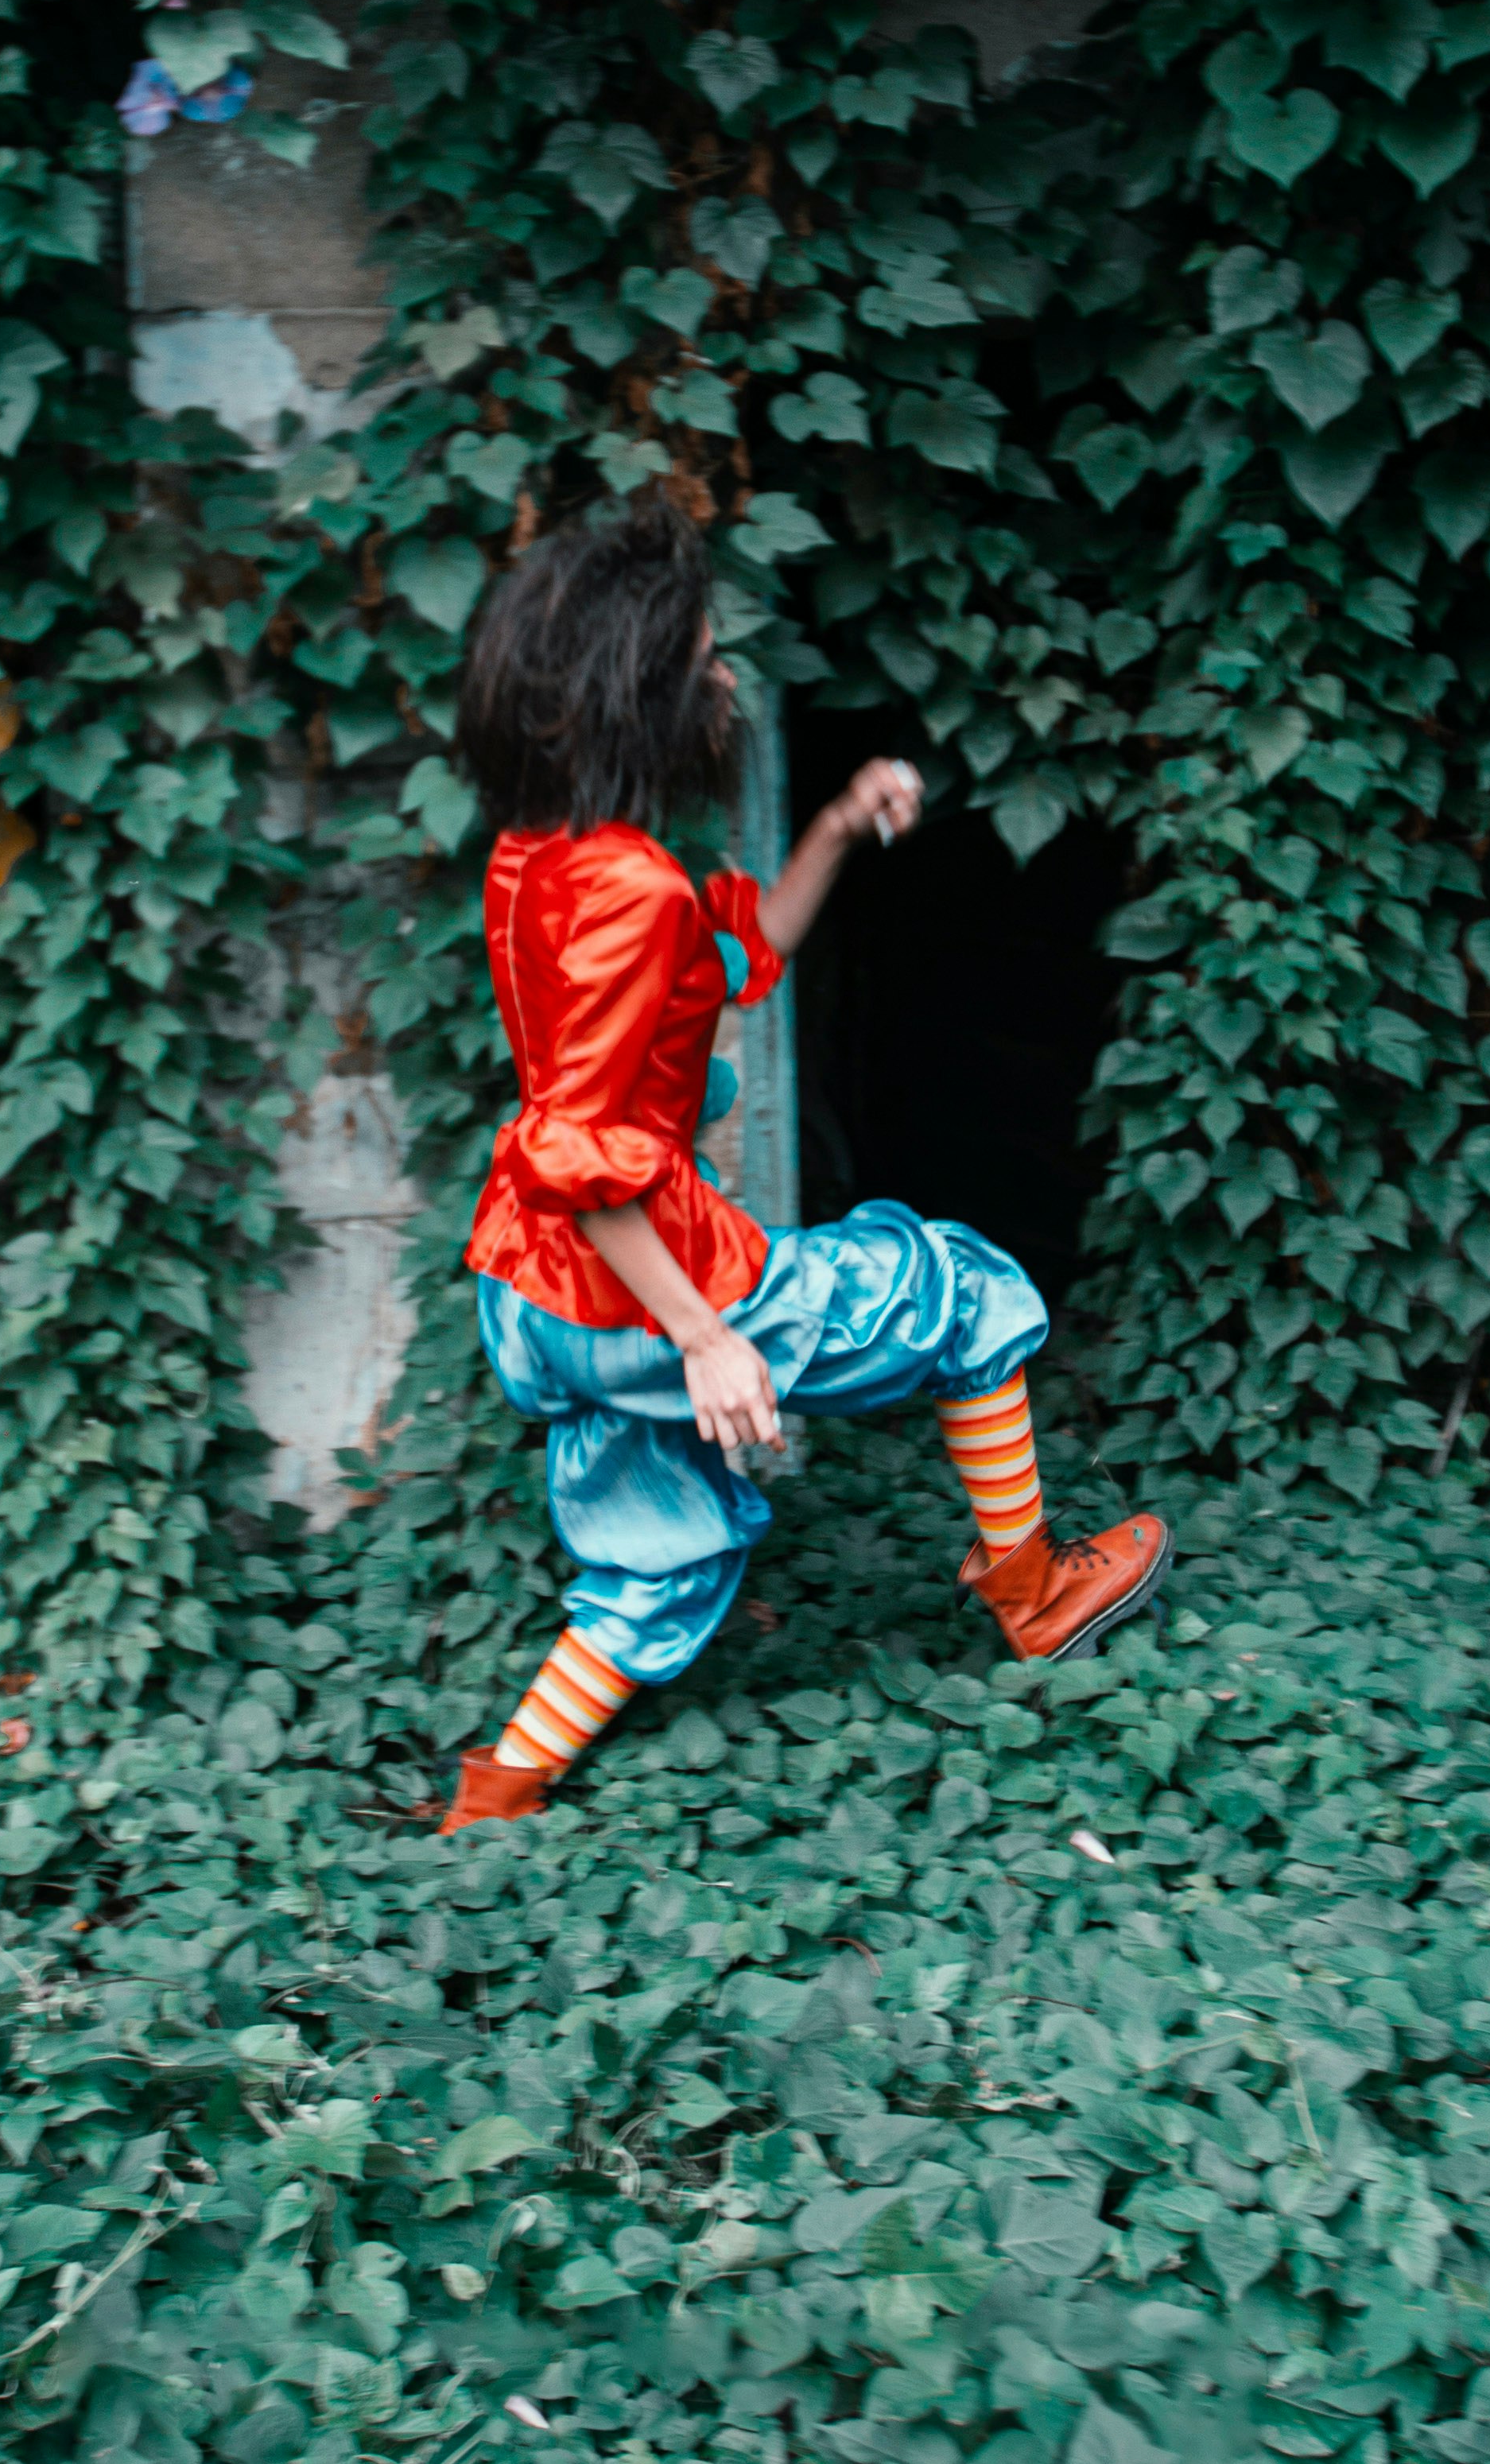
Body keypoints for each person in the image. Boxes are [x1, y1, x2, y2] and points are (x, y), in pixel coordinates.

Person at [436, 495, 1168, 1833]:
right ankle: (1033, 1594)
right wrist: (707, 1336)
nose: (724, 679)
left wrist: (834, 822)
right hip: (634, 1282)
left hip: (533, 1296)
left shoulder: (541, 862)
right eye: (706, 660)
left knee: (658, 1553)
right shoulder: (634, 893)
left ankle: (491, 1802)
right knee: (954, 1289)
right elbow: (584, 1157)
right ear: (637, 694)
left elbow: (737, 957)